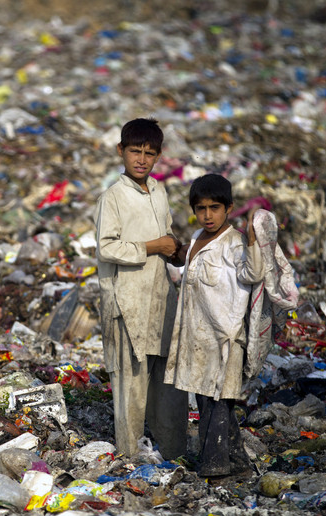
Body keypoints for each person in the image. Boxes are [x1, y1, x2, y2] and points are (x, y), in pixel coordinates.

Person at [93, 118, 188, 460]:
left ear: (159, 156)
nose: (142, 159)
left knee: (168, 382)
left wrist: (176, 251)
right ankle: (131, 457)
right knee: (130, 385)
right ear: (121, 151)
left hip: (160, 299)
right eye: (135, 151)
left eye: (149, 153)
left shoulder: (159, 192)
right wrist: (153, 246)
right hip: (125, 300)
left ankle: (175, 452)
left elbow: (166, 242)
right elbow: (106, 247)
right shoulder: (113, 197)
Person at [164, 173, 265, 478]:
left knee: (218, 403)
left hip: (225, 337)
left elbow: (253, 274)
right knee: (208, 401)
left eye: (215, 208)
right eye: (201, 209)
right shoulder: (196, 239)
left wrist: (251, 241)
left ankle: (215, 467)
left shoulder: (234, 243)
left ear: (228, 208)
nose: (208, 215)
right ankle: (237, 463)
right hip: (197, 335)